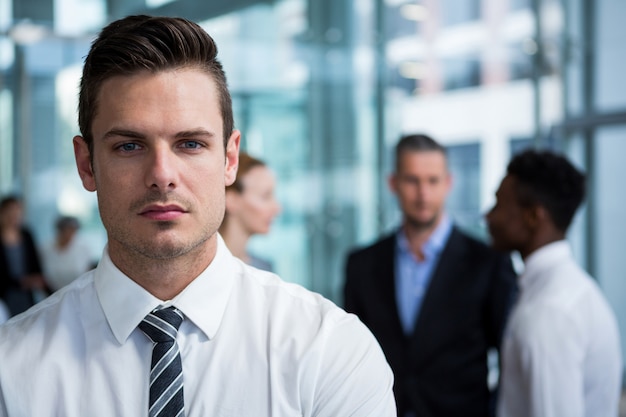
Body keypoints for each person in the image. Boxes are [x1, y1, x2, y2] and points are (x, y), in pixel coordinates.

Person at [0, 15, 395, 416]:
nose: (162, 176)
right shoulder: (11, 369)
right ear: (87, 165)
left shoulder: (328, 352)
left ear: (229, 158)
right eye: (129, 146)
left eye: (189, 143)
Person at [344, 133, 517, 417]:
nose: (423, 193)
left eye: (433, 181)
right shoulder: (362, 265)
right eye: (412, 180)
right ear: (393, 184)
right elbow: (351, 354)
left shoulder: (488, 263)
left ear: (448, 183)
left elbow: (510, 360)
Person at [485, 148, 622, 417]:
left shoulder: (549, 310)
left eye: (499, 204)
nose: (489, 216)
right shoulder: (565, 289)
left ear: (533, 216)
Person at [219, 152, 281, 271]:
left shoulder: (264, 269)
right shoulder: (204, 272)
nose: (277, 208)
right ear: (231, 200)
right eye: (265, 196)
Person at [0, 195, 47, 317]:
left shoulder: (26, 234)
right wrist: (21, 282)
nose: (14, 214)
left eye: (17, 210)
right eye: (11, 210)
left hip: (28, 291)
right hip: (6, 292)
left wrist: (35, 279)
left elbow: (35, 263)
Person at [41, 215, 93, 291]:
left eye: (73, 230)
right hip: (51, 292)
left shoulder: (83, 248)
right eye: (68, 230)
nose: (70, 234)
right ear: (60, 230)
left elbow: (88, 272)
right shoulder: (45, 248)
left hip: (78, 291)